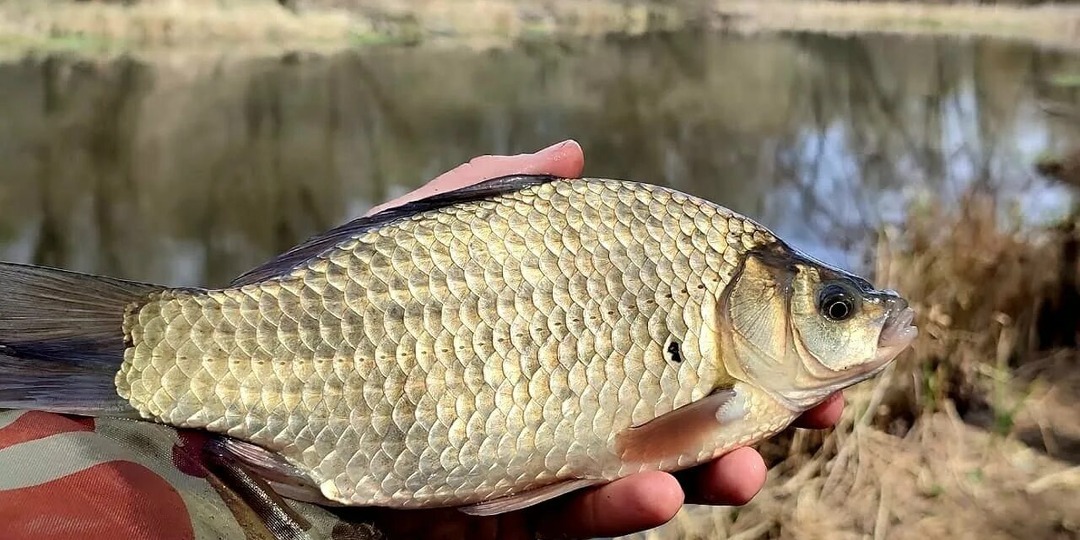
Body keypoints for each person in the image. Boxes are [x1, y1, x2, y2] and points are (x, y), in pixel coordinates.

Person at [0, 140, 843, 540]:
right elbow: (639, 445)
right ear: (750, 300)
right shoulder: (736, 385)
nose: (863, 322)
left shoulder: (712, 284)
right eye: (834, 309)